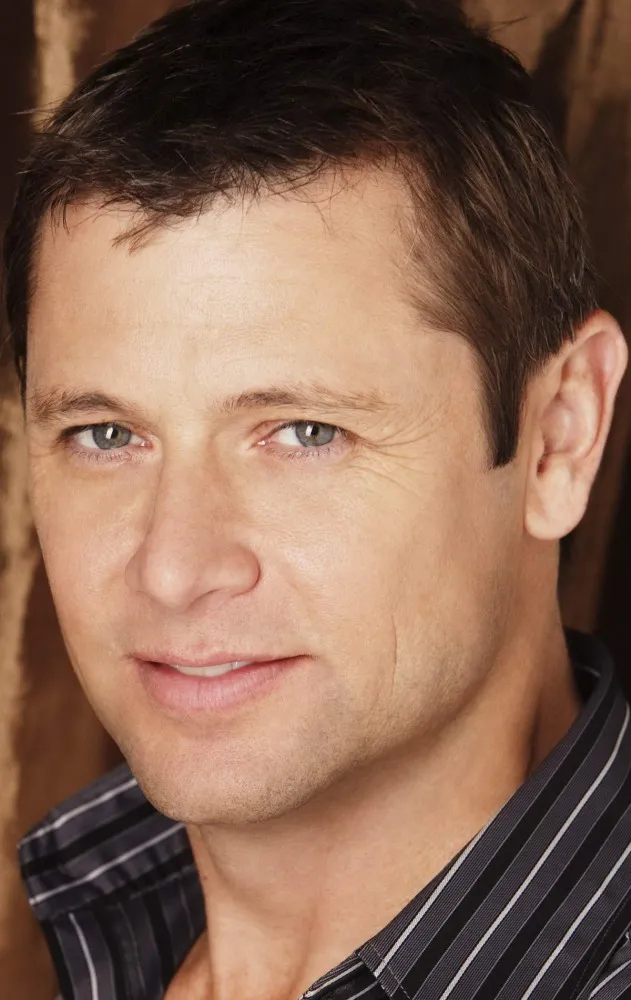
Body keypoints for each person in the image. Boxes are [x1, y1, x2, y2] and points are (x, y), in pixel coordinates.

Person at [4, 0, 631, 997]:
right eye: (107, 435)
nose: (173, 568)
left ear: (559, 436)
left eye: (303, 432)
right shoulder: (86, 927)